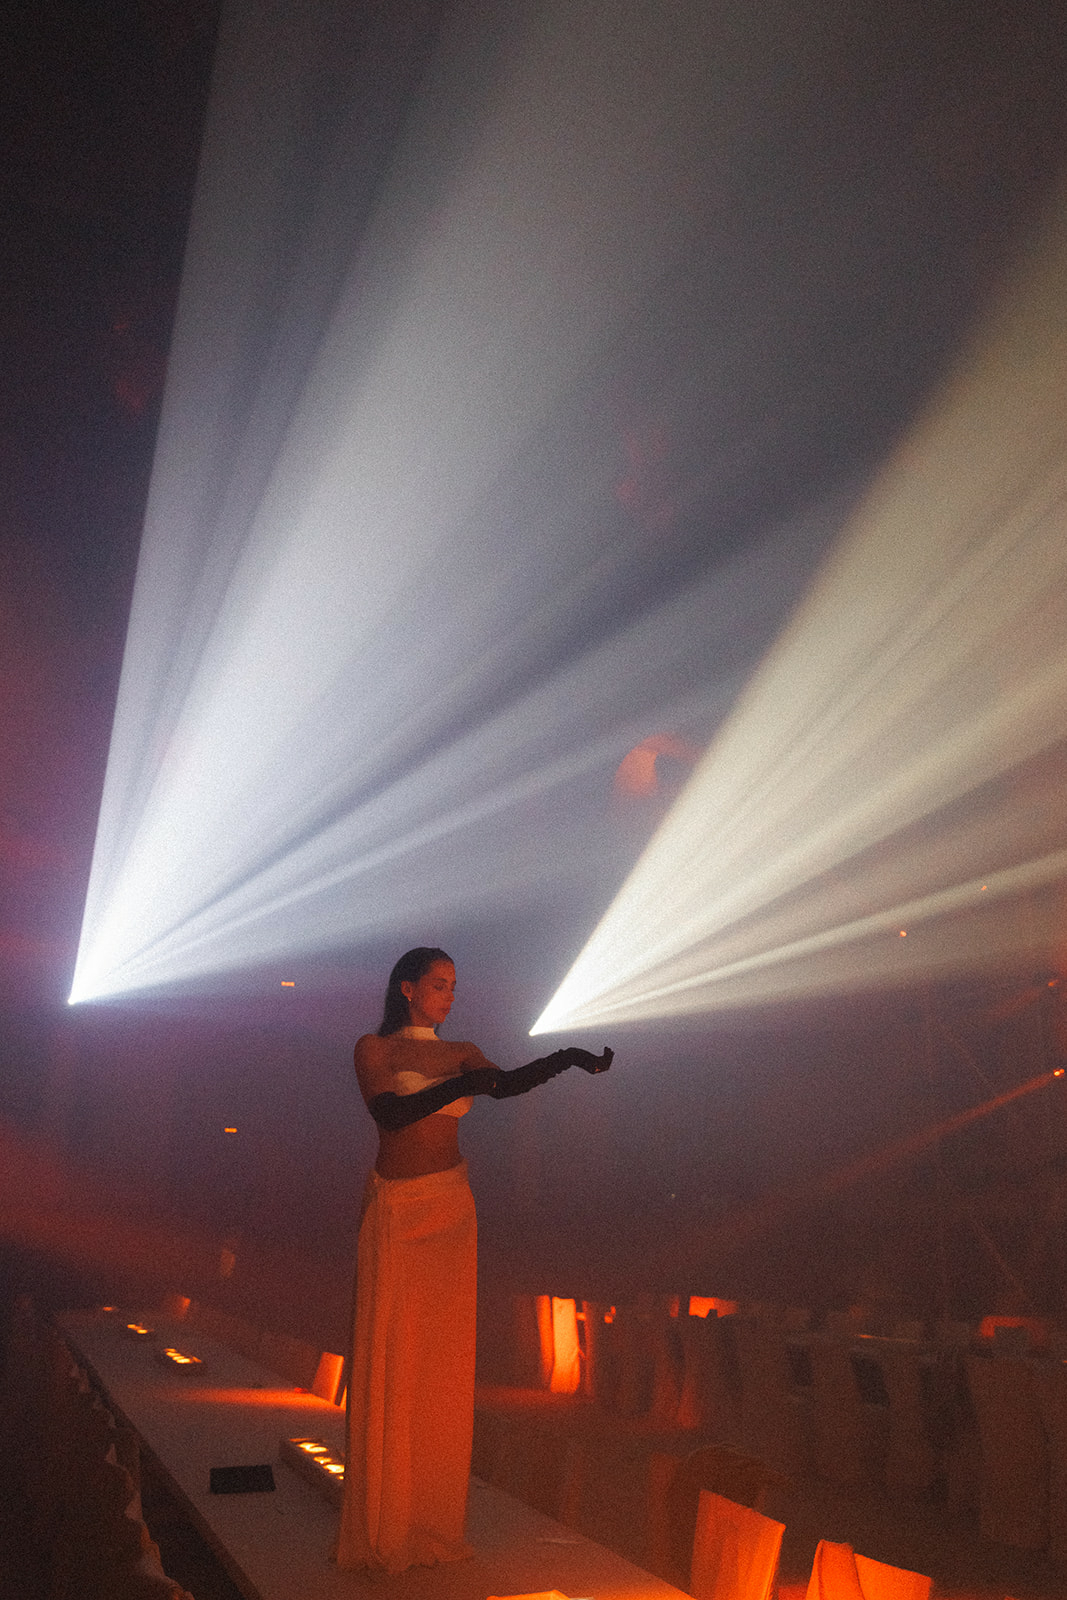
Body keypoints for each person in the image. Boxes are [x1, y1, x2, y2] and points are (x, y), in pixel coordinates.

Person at [335, 946, 611, 1573]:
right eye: (439, 984)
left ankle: (431, 1518)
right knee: (397, 1347)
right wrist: (463, 1083)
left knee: (442, 1357)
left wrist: (570, 1058)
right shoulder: (375, 1050)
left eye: (454, 986)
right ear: (407, 988)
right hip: (399, 1206)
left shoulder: (462, 1049)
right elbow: (392, 1114)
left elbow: (505, 1084)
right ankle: (386, 1521)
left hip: (451, 1204)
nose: (450, 996)